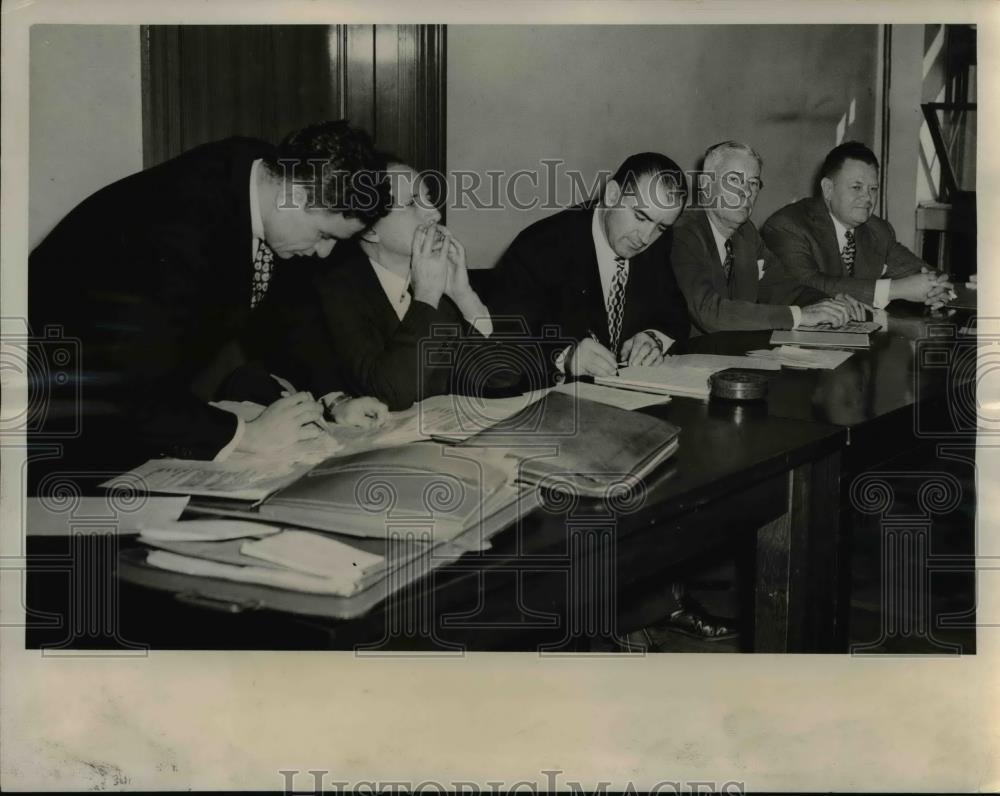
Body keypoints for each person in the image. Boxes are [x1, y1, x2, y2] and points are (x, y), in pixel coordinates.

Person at [28, 120, 390, 489]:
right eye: (324, 235)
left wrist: (335, 399)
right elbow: (131, 385)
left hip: (120, 394)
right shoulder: (176, 229)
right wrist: (248, 436)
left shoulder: (264, 174)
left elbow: (290, 308)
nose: (324, 252)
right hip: (50, 409)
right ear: (296, 193)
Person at [251, 162, 498, 411]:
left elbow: (499, 380)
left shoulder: (445, 282)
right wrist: (425, 298)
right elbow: (392, 394)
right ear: (369, 231)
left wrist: (466, 298)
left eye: (428, 198)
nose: (434, 213)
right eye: (412, 203)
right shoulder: (336, 293)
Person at [487, 152, 691, 383]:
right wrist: (565, 357)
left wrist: (652, 338)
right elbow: (499, 347)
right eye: (640, 217)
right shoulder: (540, 247)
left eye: (661, 227)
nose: (645, 237)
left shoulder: (657, 240)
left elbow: (677, 316)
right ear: (612, 195)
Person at [672, 141, 864, 333]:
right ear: (706, 185)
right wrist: (799, 316)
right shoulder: (684, 232)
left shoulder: (746, 233)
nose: (746, 192)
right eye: (734, 180)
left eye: (753, 183)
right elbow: (709, 312)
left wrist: (826, 303)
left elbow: (783, 287)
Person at [761, 141, 952, 310]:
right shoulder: (787, 225)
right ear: (828, 189)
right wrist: (894, 290)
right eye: (856, 187)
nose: (868, 198)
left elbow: (924, 272)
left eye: (873, 189)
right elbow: (803, 285)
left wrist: (937, 288)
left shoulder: (878, 230)